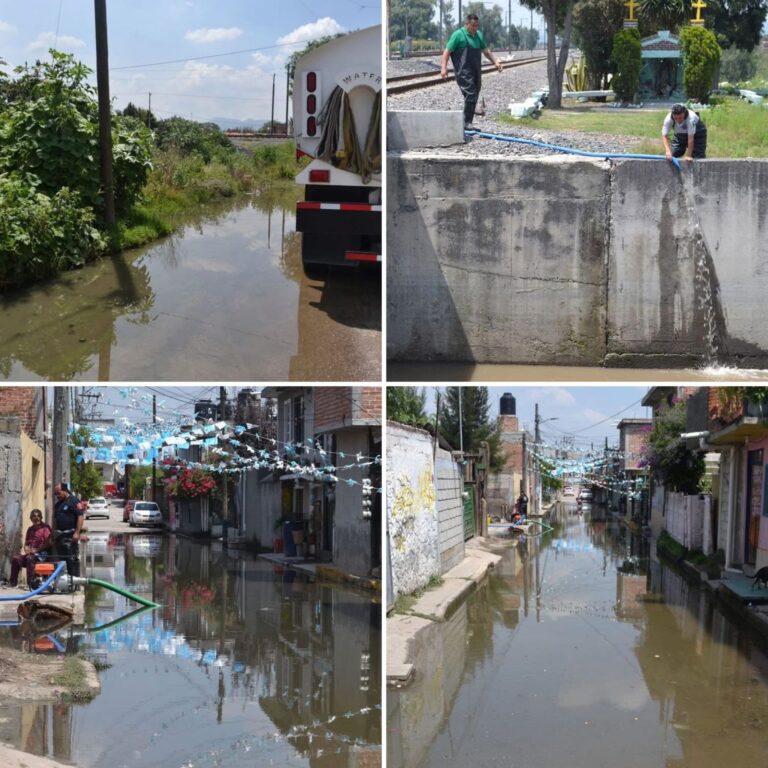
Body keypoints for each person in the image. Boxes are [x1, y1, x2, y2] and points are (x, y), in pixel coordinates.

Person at [440, 13, 503, 130]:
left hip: (476, 71)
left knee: (475, 94)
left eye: (477, 26)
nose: (475, 28)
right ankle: (466, 122)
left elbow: (486, 51)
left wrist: (495, 61)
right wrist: (444, 68)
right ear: (467, 24)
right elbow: (447, 52)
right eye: (473, 26)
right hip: (463, 71)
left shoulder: (478, 35)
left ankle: (467, 122)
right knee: (470, 93)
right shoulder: (458, 35)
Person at [7, 509, 52, 588]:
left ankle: (30, 584)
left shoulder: (45, 528)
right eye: (34, 516)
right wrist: (26, 549)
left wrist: (36, 550)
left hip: (42, 555)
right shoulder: (30, 529)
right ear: (31, 518)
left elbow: (48, 543)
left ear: (41, 517)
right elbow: (26, 543)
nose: (36, 518)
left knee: (29, 558)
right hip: (31, 554)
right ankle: (13, 583)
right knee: (16, 559)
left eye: (38, 516)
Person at [53, 482, 84, 579]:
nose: (57, 496)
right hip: (60, 536)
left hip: (70, 535)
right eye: (55, 494)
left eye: (58, 493)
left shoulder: (74, 501)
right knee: (62, 560)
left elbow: (80, 517)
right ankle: (65, 581)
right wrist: (53, 533)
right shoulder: (58, 505)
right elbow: (55, 520)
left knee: (72, 559)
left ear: (65, 490)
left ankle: (74, 581)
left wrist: (77, 532)